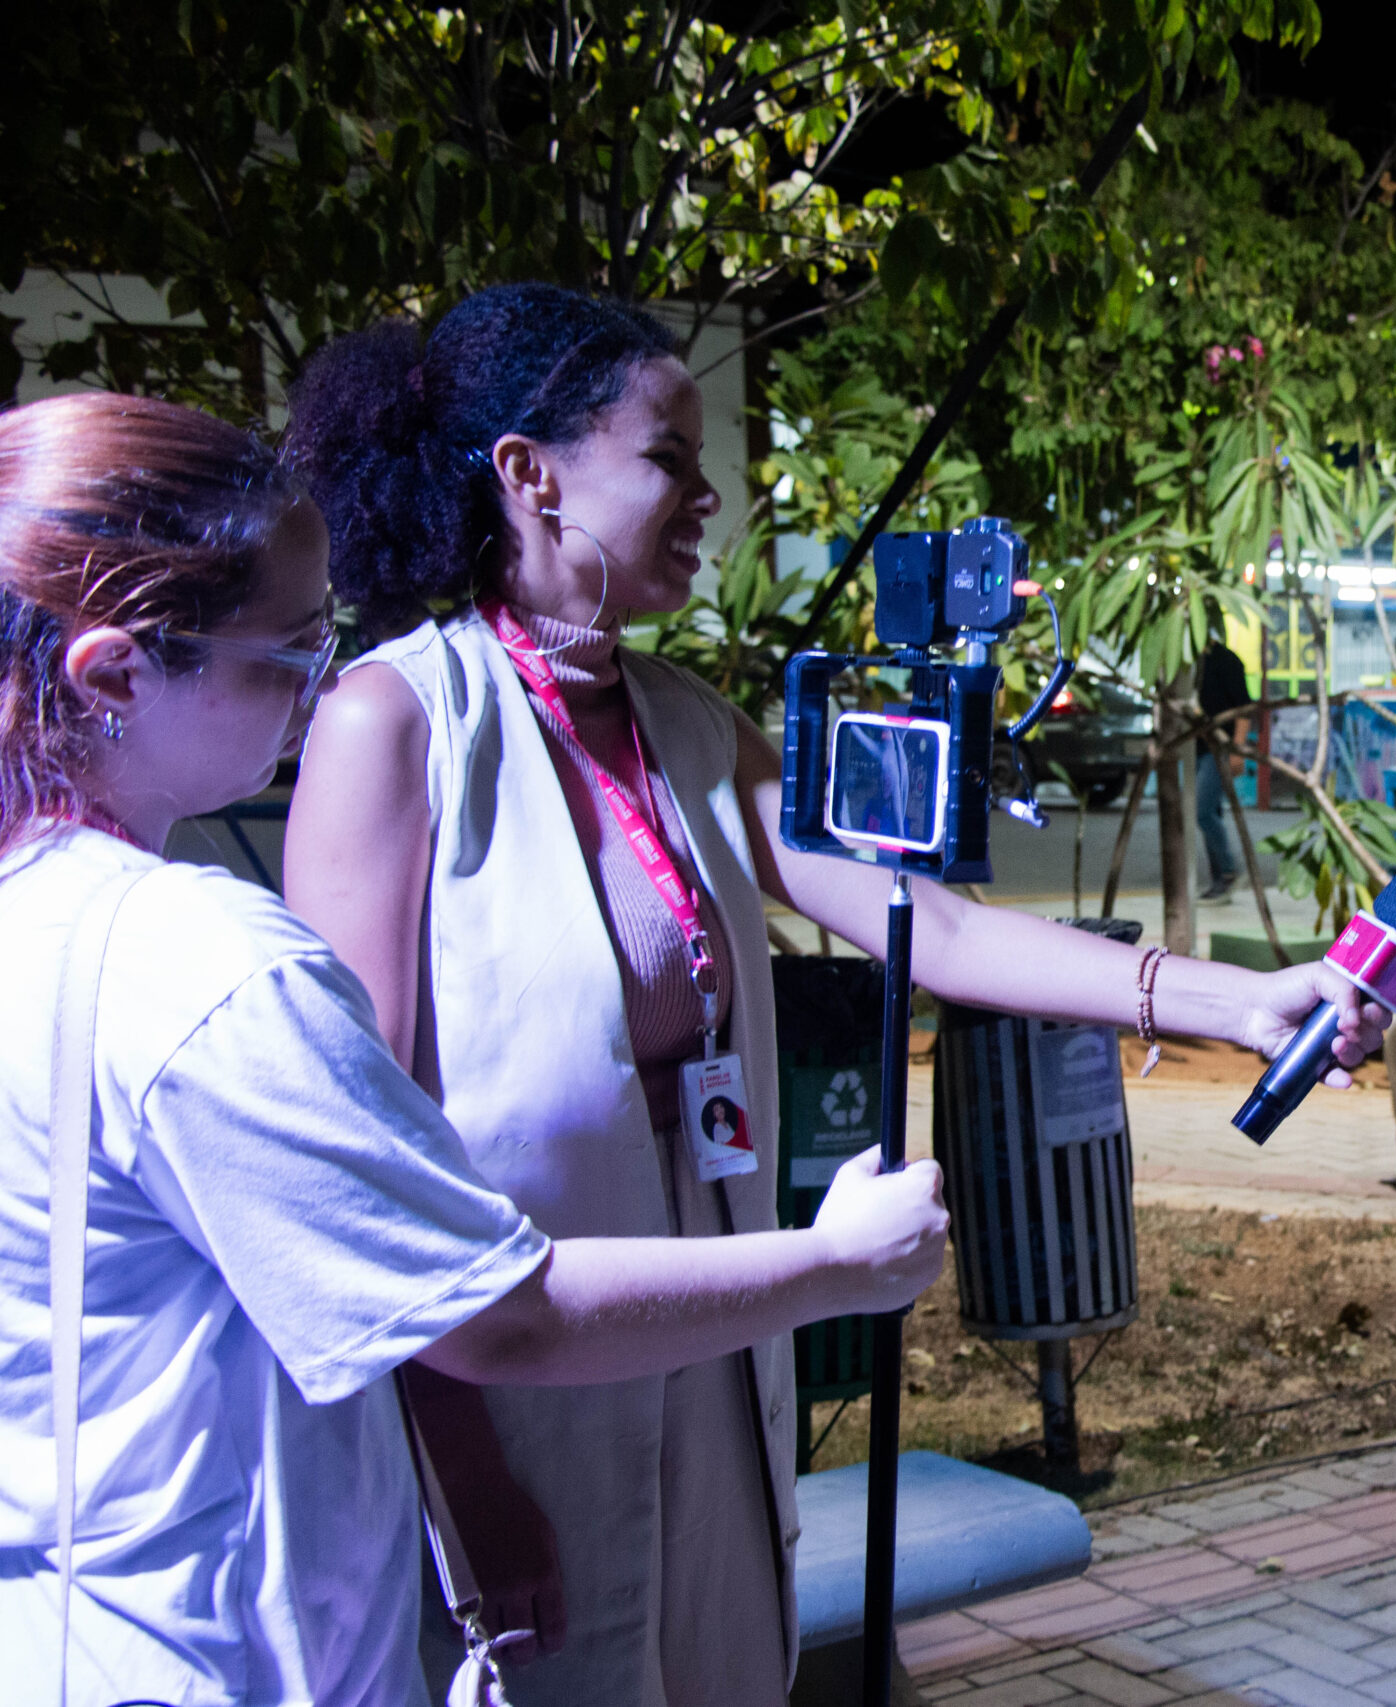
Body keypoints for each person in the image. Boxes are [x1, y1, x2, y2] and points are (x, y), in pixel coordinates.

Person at [278, 285, 1384, 1705]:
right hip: (507, 1408)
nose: (706, 492)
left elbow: (935, 927)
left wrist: (1230, 999)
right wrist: (469, 1485)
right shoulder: (395, 722)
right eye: (666, 455)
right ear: (528, 471)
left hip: (722, 1379)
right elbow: (364, 1182)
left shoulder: (683, 722)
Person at [0, 391, 952, 1707]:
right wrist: (837, 1261)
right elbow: (497, 1315)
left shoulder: (40, 911)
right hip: (206, 1650)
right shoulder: (205, 963)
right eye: (286, 648)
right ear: (112, 672)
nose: (318, 684)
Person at [1195, 618, 1253, 901]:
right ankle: (1219, 878)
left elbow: (1244, 709)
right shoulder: (1191, 662)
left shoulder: (1226, 661)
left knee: (1202, 811)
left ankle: (1228, 871)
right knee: (1210, 812)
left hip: (1220, 747)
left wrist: (1237, 749)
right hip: (1197, 749)